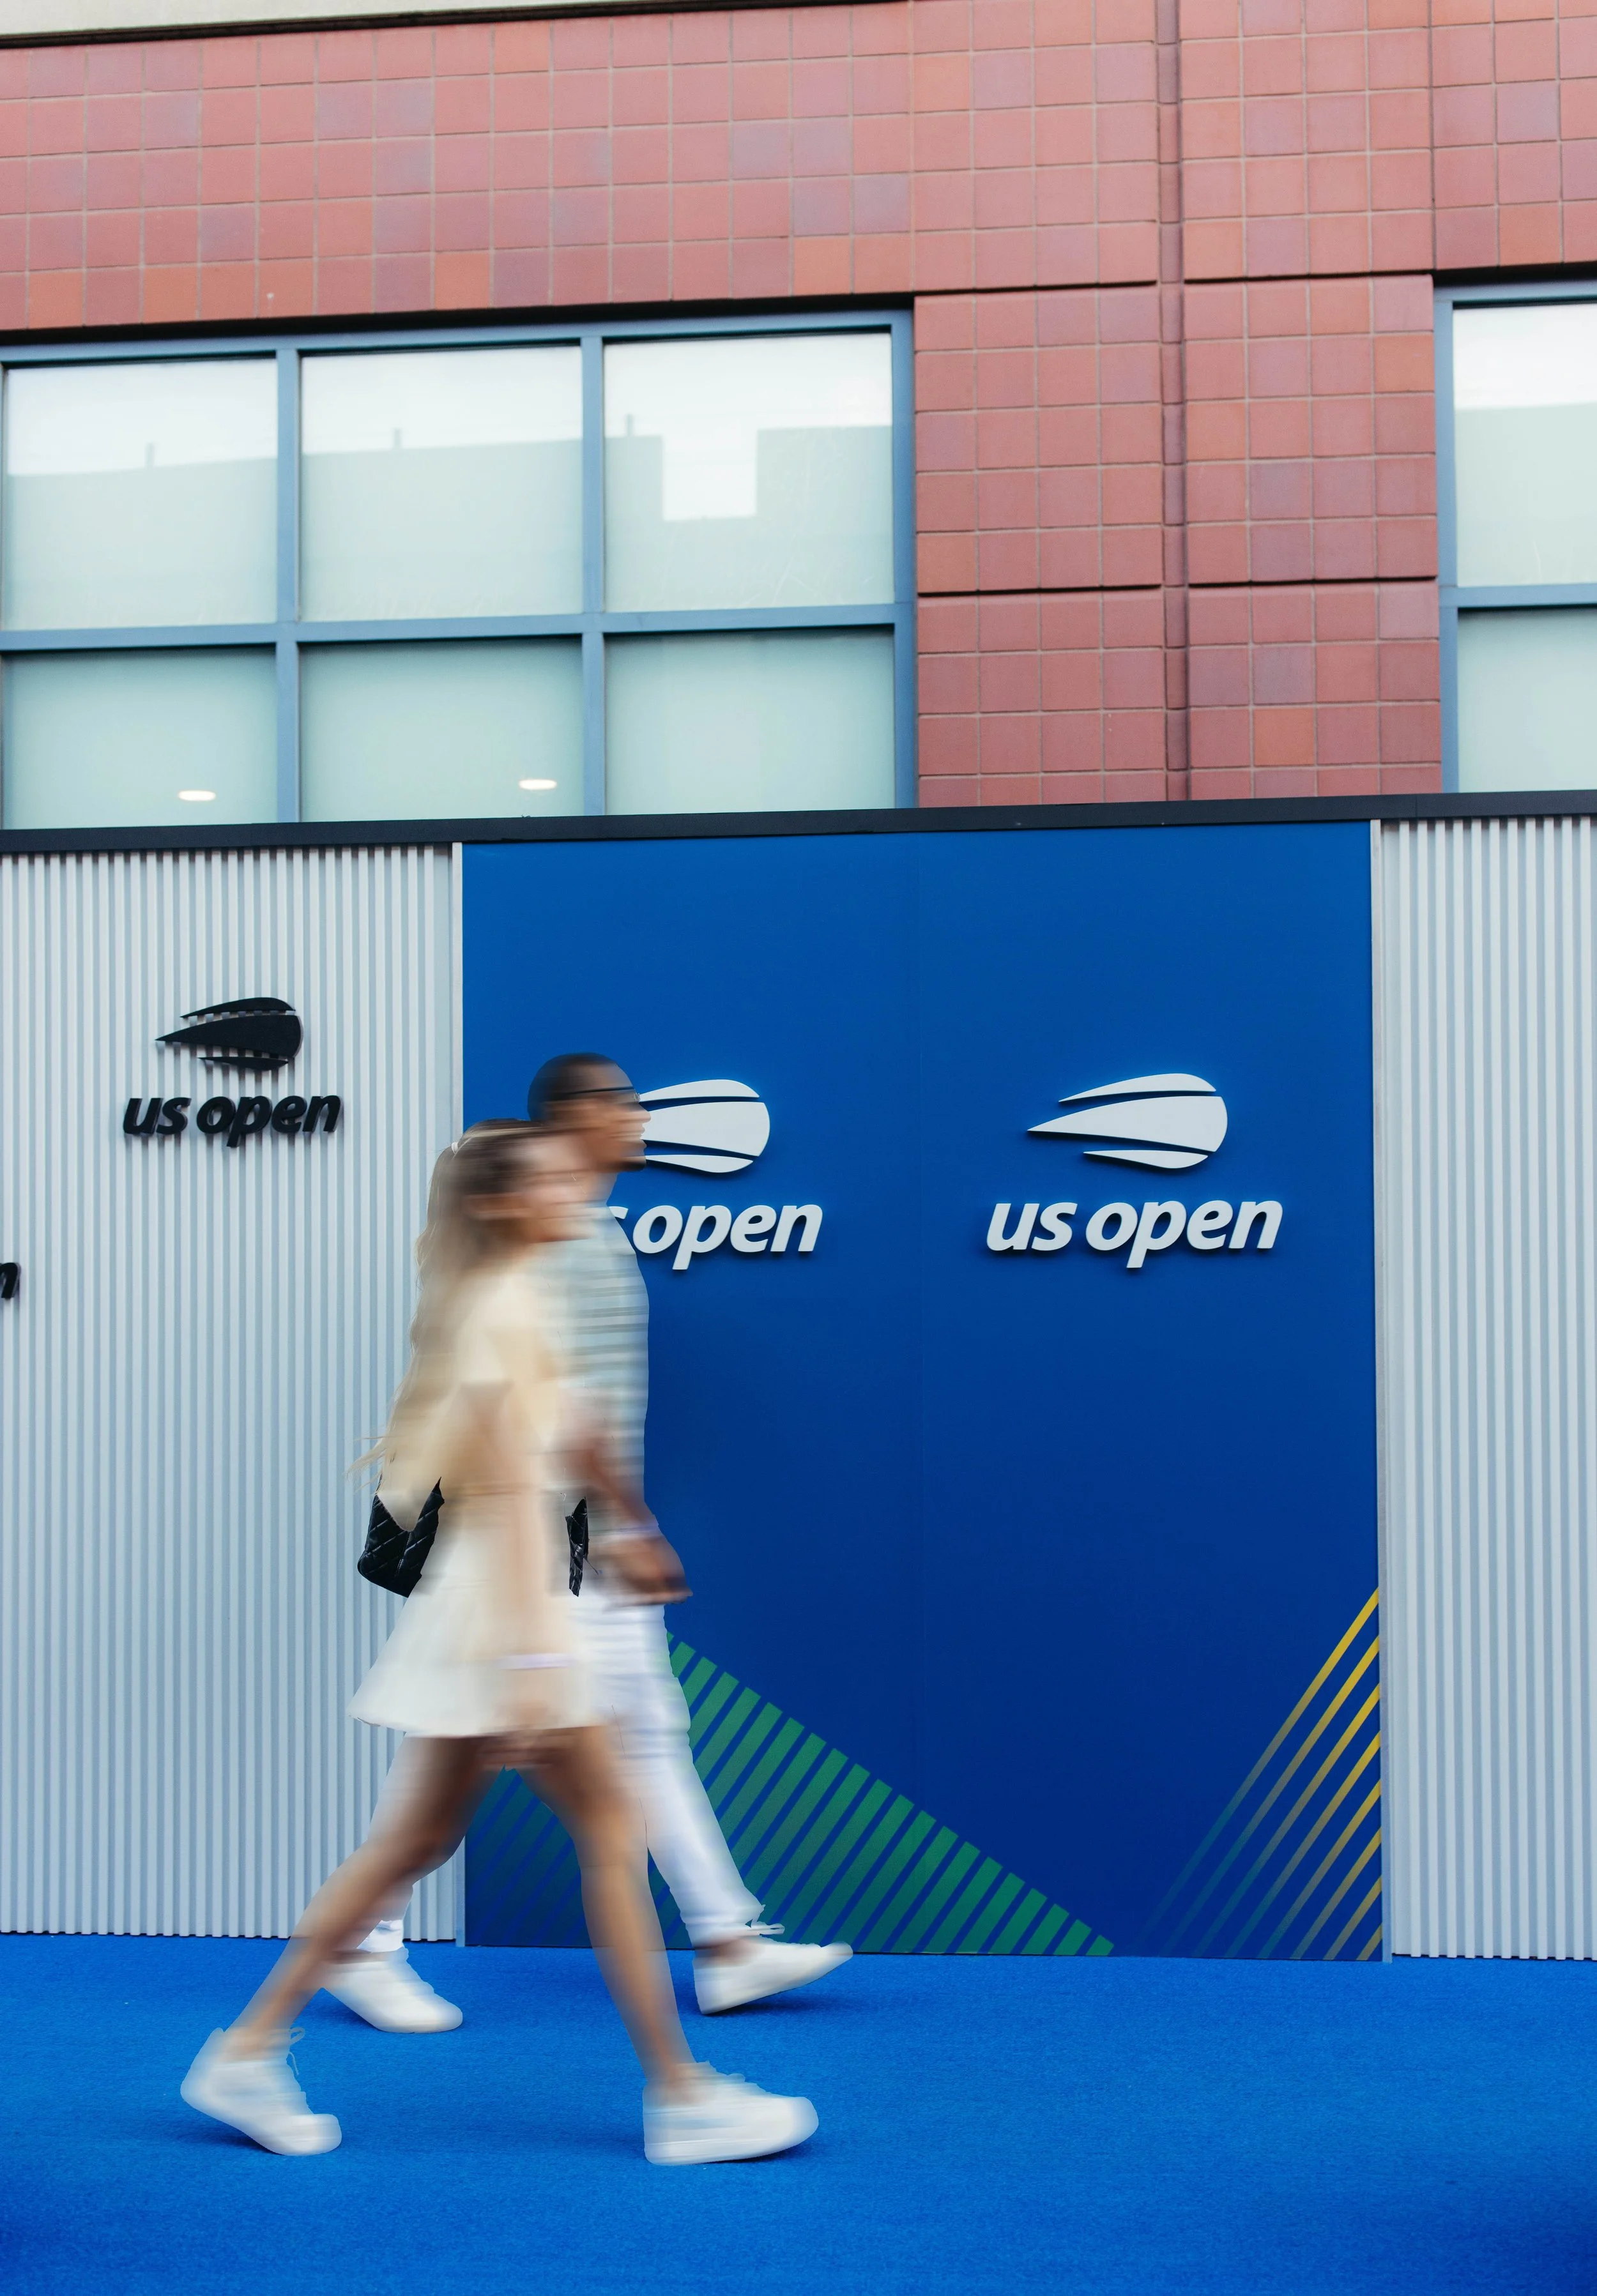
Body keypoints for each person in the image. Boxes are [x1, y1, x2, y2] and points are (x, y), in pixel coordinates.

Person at [181, 1122, 818, 2166]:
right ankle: (681, 2092)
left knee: (411, 1845)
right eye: (551, 1176)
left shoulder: (509, 1302)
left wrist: (632, 1527)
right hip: (507, 1622)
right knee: (608, 1837)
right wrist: (531, 1666)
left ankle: (249, 2050)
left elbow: (566, 1437)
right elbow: (512, 1495)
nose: (576, 1185)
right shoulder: (499, 1311)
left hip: (492, 1621)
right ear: (504, 1203)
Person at [529, 1052, 853, 2017]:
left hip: (573, 1538)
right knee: (469, 1741)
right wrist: (628, 1520)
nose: (638, 1114)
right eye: (619, 1099)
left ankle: (723, 1936)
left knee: (645, 1732)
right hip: (556, 1540)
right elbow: (554, 1401)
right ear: (570, 1116)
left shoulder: (585, 1230)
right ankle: (363, 1936)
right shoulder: (558, 1236)